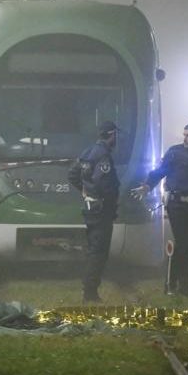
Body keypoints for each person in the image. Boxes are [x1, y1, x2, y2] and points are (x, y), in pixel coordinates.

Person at [131, 123, 188, 296]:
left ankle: (177, 284)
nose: (185, 138)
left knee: (187, 245)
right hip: (177, 204)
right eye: (184, 134)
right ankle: (177, 284)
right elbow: (160, 171)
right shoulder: (174, 152)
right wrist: (147, 186)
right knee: (183, 242)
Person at [68, 120, 120, 303]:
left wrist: (84, 190)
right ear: (112, 135)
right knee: (99, 251)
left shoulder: (87, 152)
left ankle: (89, 289)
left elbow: (72, 174)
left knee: (93, 248)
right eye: (116, 135)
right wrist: (105, 198)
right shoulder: (103, 155)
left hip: (90, 209)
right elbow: (102, 182)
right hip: (102, 210)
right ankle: (90, 292)